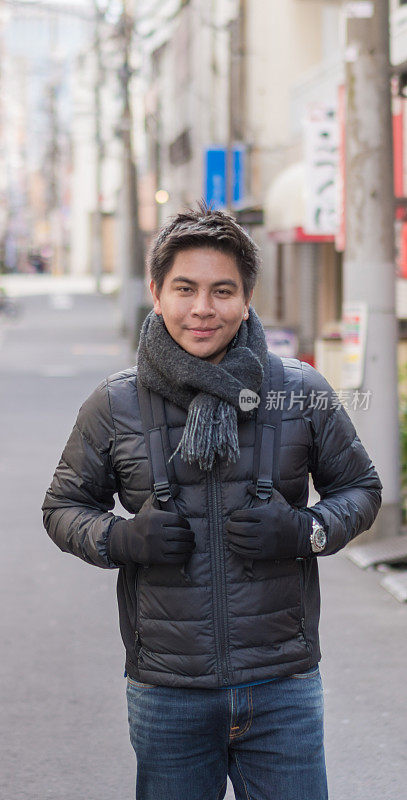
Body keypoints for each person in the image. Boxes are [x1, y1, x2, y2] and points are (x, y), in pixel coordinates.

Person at [42, 204, 382, 800]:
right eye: (185, 289)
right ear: (156, 292)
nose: (203, 309)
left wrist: (308, 531)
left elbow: (362, 489)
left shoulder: (300, 391)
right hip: (167, 689)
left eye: (222, 290)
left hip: (284, 685)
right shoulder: (115, 404)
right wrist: (118, 539)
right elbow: (64, 506)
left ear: (247, 297)